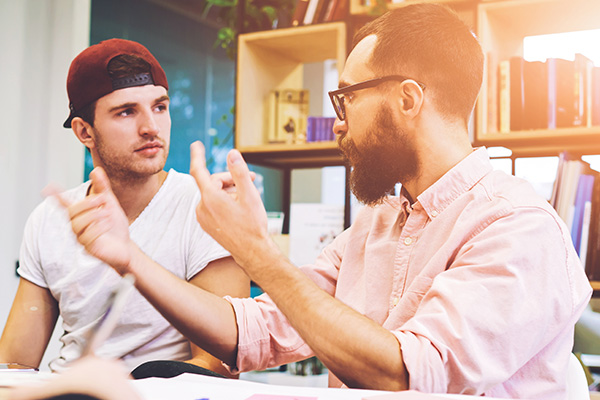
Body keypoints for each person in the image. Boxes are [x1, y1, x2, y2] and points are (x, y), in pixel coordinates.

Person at [44, 4, 591, 398]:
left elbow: (406, 376)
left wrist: (258, 254)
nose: (337, 122)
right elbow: (253, 333)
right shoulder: (378, 222)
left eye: (347, 97)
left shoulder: (516, 226)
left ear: (407, 98)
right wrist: (129, 258)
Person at [0, 38, 249, 376]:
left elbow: (221, 364)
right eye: (127, 111)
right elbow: (13, 366)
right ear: (84, 131)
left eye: (160, 107)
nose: (151, 127)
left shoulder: (204, 206)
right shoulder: (49, 218)